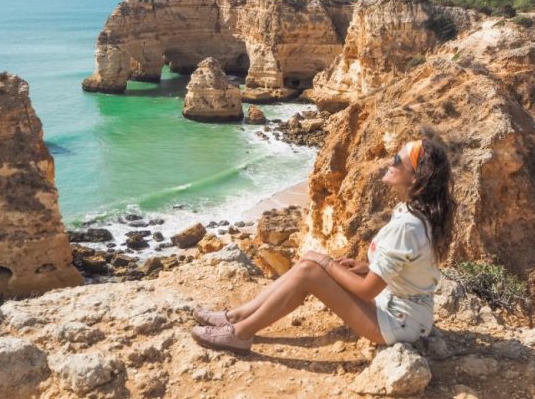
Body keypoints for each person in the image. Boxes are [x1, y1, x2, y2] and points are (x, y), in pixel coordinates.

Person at [190, 138, 456, 354]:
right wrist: (368, 268)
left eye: (398, 160)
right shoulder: (414, 213)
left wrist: (326, 262)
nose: (390, 161)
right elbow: (411, 265)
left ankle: (240, 334)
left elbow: (367, 291)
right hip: (400, 309)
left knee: (311, 268)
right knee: (309, 262)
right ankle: (236, 317)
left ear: (415, 178)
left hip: (399, 323)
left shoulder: (407, 225)